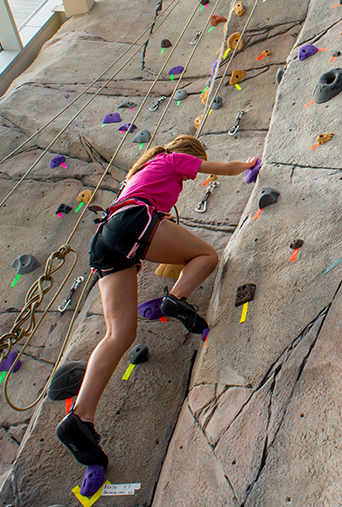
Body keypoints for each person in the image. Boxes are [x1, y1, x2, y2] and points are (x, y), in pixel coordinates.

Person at [56, 135, 258, 469]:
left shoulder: (139, 172)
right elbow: (220, 168)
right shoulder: (172, 159)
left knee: (118, 335)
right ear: (188, 154)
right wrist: (249, 165)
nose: (188, 176)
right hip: (133, 222)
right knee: (206, 255)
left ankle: (80, 417)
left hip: (105, 239)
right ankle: (176, 299)